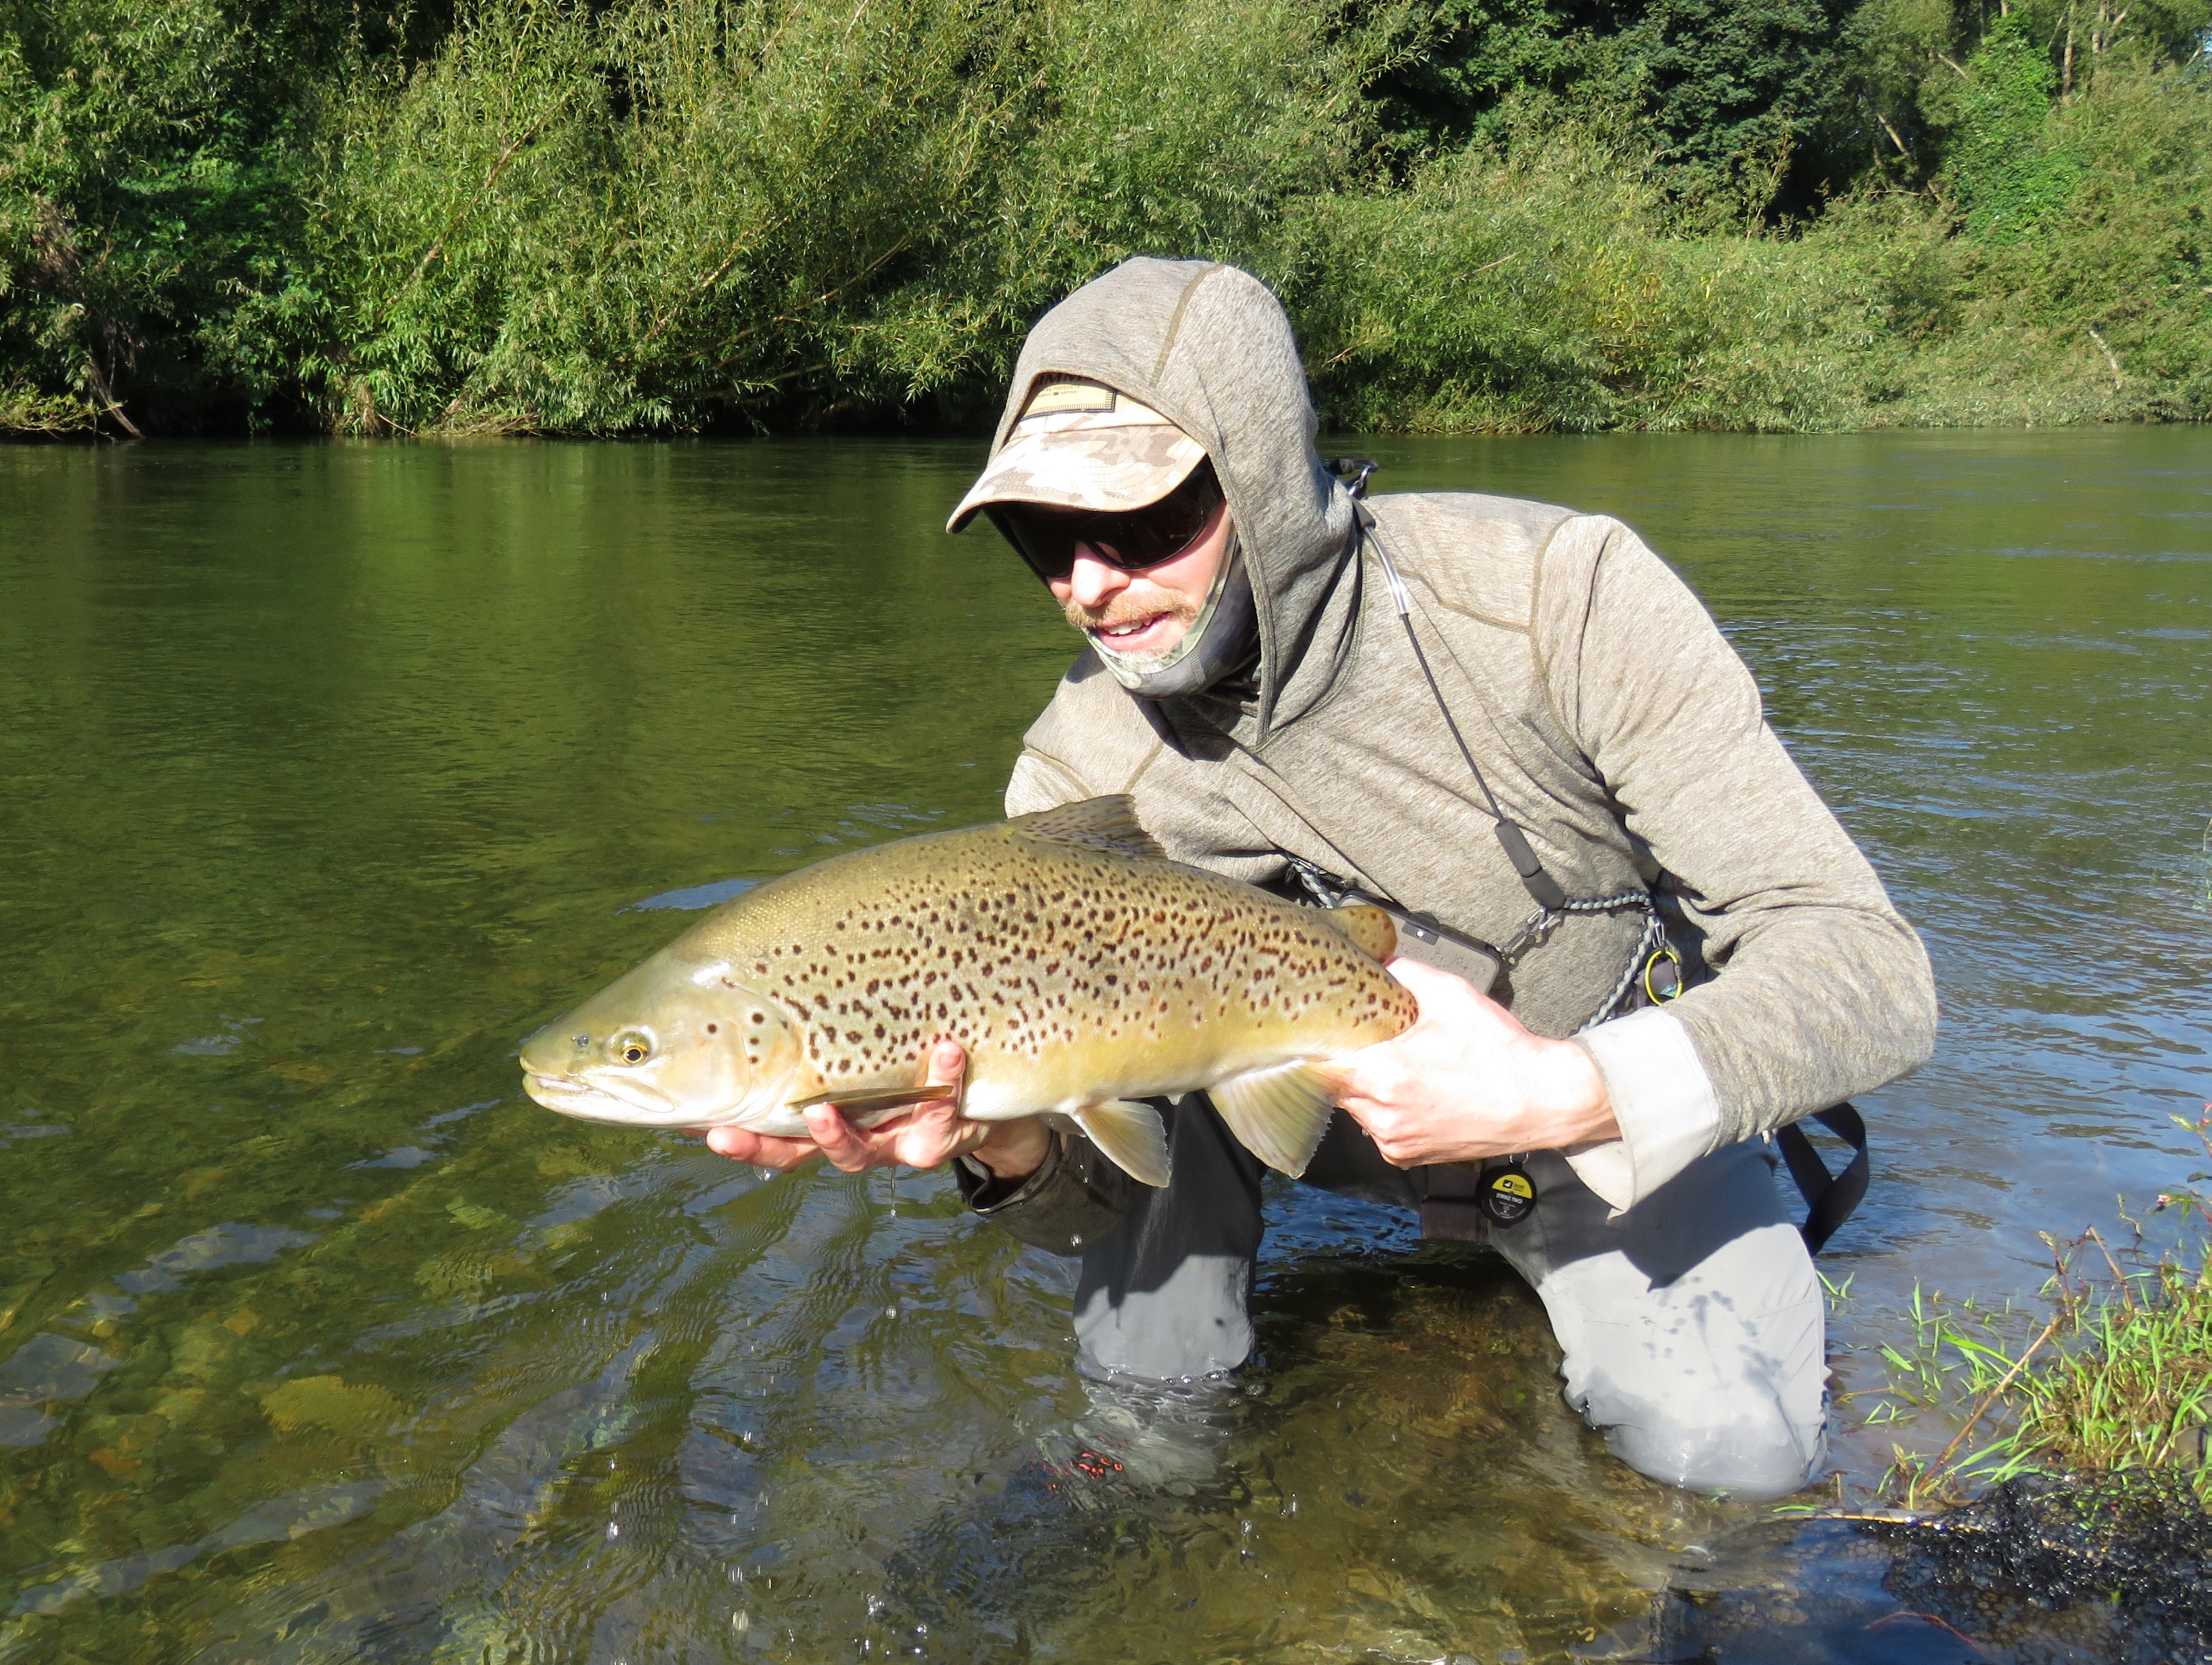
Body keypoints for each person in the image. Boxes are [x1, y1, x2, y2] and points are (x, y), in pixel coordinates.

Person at [705, 257, 1937, 1499]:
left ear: (1261, 480)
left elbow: (1868, 968)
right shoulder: (1073, 772)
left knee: (1730, 1460)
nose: (1085, 584)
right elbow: (1081, 1193)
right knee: (1147, 1443)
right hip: (1304, 1116)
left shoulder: (1557, 600)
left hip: (1597, 1102)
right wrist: (1005, 1140)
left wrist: (1561, 1091)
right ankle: (1160, 1487)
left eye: (1137, 525)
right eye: (1041, 537)